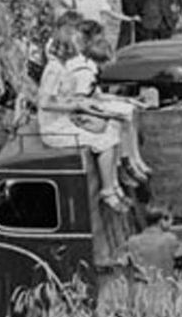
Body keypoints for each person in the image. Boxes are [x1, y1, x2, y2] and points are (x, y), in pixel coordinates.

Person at [37, 27, 125, 212]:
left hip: (65, 121)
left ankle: (114, 183)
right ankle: (107, 191)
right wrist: (77, 107)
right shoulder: (54, 70)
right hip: (55, 128)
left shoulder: (61, 68)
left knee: (111, 130)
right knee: (105, 141)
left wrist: (83, 104)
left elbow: (62, 98)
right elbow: (44, 103)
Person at [122, 204, 182, 281]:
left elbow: (124, 265)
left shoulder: (132, 241)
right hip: (164, 287)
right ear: (161, 222)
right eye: (168, 220)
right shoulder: (169, 239)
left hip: (141, 290)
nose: (170, 223)